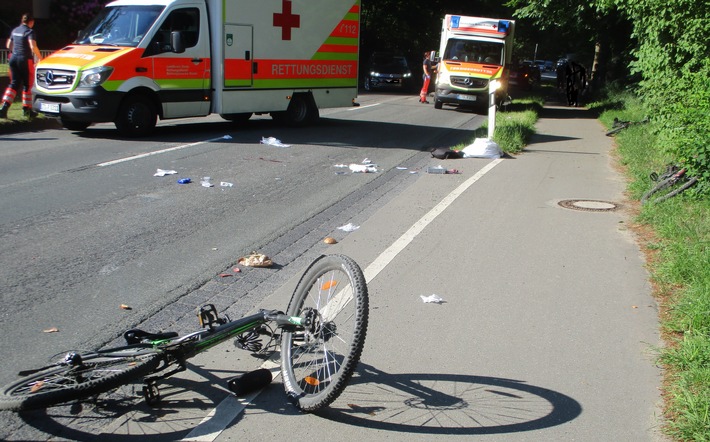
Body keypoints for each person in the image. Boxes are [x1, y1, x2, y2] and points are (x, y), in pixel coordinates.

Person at [1, 13, 43, 119]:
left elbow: (8, 45)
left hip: (13, 59)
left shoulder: (15, 30)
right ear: (31, 22)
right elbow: (32, 46)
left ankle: (4, 108)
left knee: (14, 84)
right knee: (27, 85)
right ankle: (26, 110)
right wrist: (40, 58)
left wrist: (15, 51)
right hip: (25, 59)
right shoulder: (29, 31)